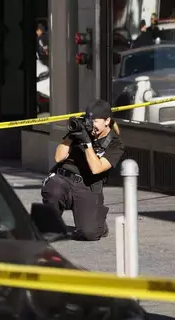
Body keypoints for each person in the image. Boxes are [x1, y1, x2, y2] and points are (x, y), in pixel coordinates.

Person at [41, 99, 125, 241]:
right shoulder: (81, 131)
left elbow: (96, 169)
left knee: (89, 233)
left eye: (95, 121)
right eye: (88, 119)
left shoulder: (115, 144)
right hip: (64, 179)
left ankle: (98, 222)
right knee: (53, 189)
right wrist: (71, 135)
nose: (91, 124)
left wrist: (87, 143)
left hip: (87, 185)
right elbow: (58, 157)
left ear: (107, 121)